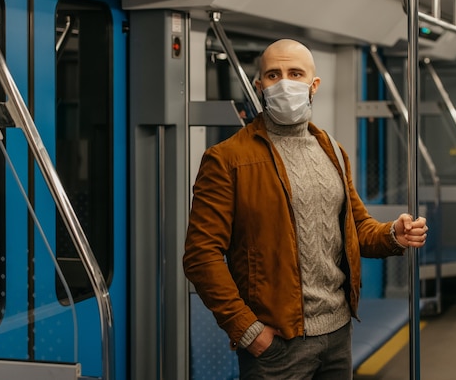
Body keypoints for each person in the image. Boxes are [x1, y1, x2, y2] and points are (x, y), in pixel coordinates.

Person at [183, 38, 428, 379]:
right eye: (273, 75)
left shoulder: (332, 150)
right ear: (259, 86)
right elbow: (201, 255)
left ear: (314, 85)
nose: (284, 83)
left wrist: (393, 234)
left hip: (339, 333)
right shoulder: (227, 159)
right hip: (276, 344)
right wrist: (247, 330)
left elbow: (356, 229)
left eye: (295, 73)